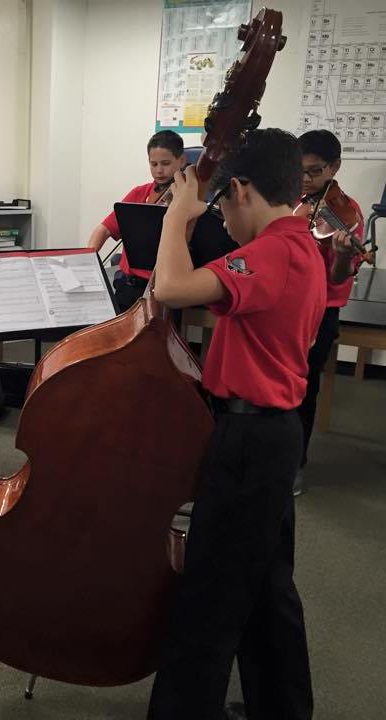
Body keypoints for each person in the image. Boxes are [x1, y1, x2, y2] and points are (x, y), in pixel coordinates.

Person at [146, 129, 325, 720]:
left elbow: (171, 288)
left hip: (249, 440)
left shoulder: (272, 252)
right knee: (268, 584)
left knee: (211, 591)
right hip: (277, 434)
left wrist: (177, 216)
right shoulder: (301, 246)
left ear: (242, 189)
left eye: (222, 204)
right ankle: (282, 707)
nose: (221, 217)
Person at [293, 129, 364, 495]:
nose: (305, 179)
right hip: (286, 306)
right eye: (300, 170)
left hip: (320, 311)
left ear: (334, 167)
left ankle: (295, 464)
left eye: (315, 171)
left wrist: (344, 255)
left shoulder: (347, 214)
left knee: (305, 389)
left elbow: (338, 278)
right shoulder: (289, 201)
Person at [87, 130, 184, 312]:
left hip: (164, 293)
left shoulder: (187, 200)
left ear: (181, 160)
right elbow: (104, 229)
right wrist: (87, 258)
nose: (159, 170)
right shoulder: (139, 193)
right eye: (153, 164)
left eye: (166, 163)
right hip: (128, 288)